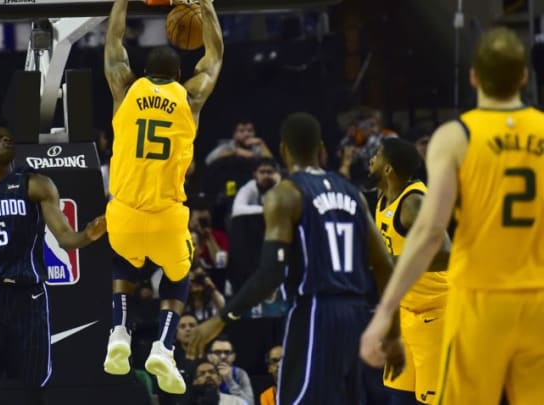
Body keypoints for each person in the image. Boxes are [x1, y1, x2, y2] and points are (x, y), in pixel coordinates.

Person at [360, 27, 544, 405]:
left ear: (475, 76)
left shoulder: (455, 137)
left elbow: (429, 236)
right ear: (523, 77)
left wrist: (385, 311)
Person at [187, 112, 403, 404]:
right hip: (358, 314)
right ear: (323, 151)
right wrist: (394, 331)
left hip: (316, 310)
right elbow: (385, 266)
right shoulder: (354, 194)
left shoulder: (286, 194)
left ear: (284, 150)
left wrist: (221, 319)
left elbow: (270, 274)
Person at [102, 0, 224, 396]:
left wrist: (121, 1)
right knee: (177, 276)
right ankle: (163, 345)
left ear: (145, 72)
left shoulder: (124, 87)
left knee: (124, 261)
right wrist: (204, 6)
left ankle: (118, 332)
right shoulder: (190, 98)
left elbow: (114, 40)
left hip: (123, 212)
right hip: (168, 216)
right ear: (178, 74)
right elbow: (214, 55)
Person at [0, 127, 107, 405]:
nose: (6, 138)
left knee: (33, 384)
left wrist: (87, 234)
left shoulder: (36, 184)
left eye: (9, 136)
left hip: (29, 294)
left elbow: (65, 238)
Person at [369, 137, 450, 405]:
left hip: (436, 314)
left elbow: (445, 255)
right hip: (405, 315)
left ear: (389, 168)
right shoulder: (382, 198)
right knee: (399, 397)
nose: (371, 160)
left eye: (377, 155)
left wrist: (387, 262)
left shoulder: (414, 202)